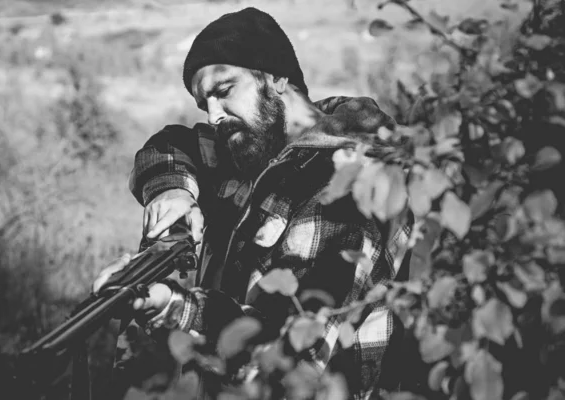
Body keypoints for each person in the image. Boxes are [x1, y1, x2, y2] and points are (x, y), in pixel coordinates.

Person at [94, 7, 410, 399]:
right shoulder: (255, 148)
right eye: (203, 103)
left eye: (224, 91)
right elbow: (169, 144)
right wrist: (171, 190)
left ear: (276, 76)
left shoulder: (346, 186)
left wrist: (175, 307)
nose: (213, 115)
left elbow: (289, 360)